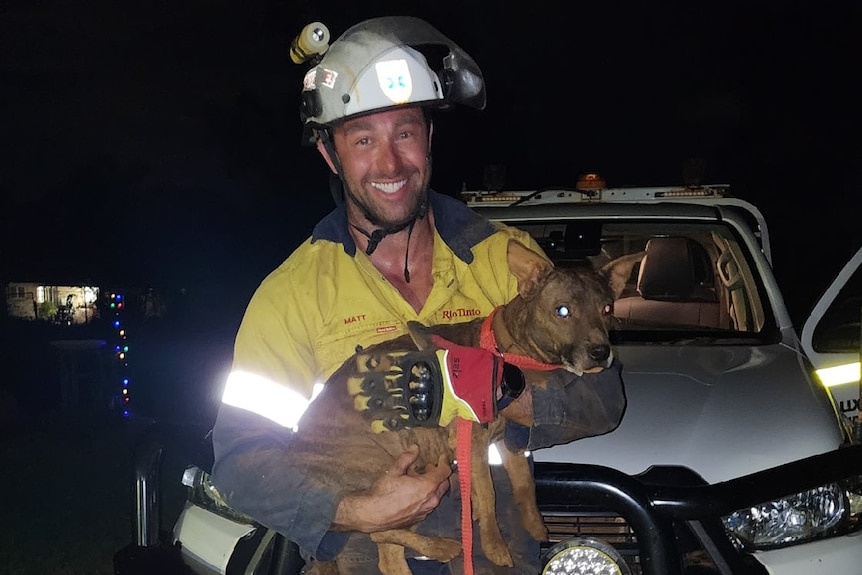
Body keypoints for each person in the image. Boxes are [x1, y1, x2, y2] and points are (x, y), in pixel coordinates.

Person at [210, 15, 626, 575]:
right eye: (363, 140)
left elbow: (603, 399)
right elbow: (241, 463)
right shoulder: (291, 295)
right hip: (363, 559)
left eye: (404, 132)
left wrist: (498, 391)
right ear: (330, 156)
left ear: (429, 139)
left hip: (501, 560)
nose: (389, 163)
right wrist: (357, 511)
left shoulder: (509, 262)